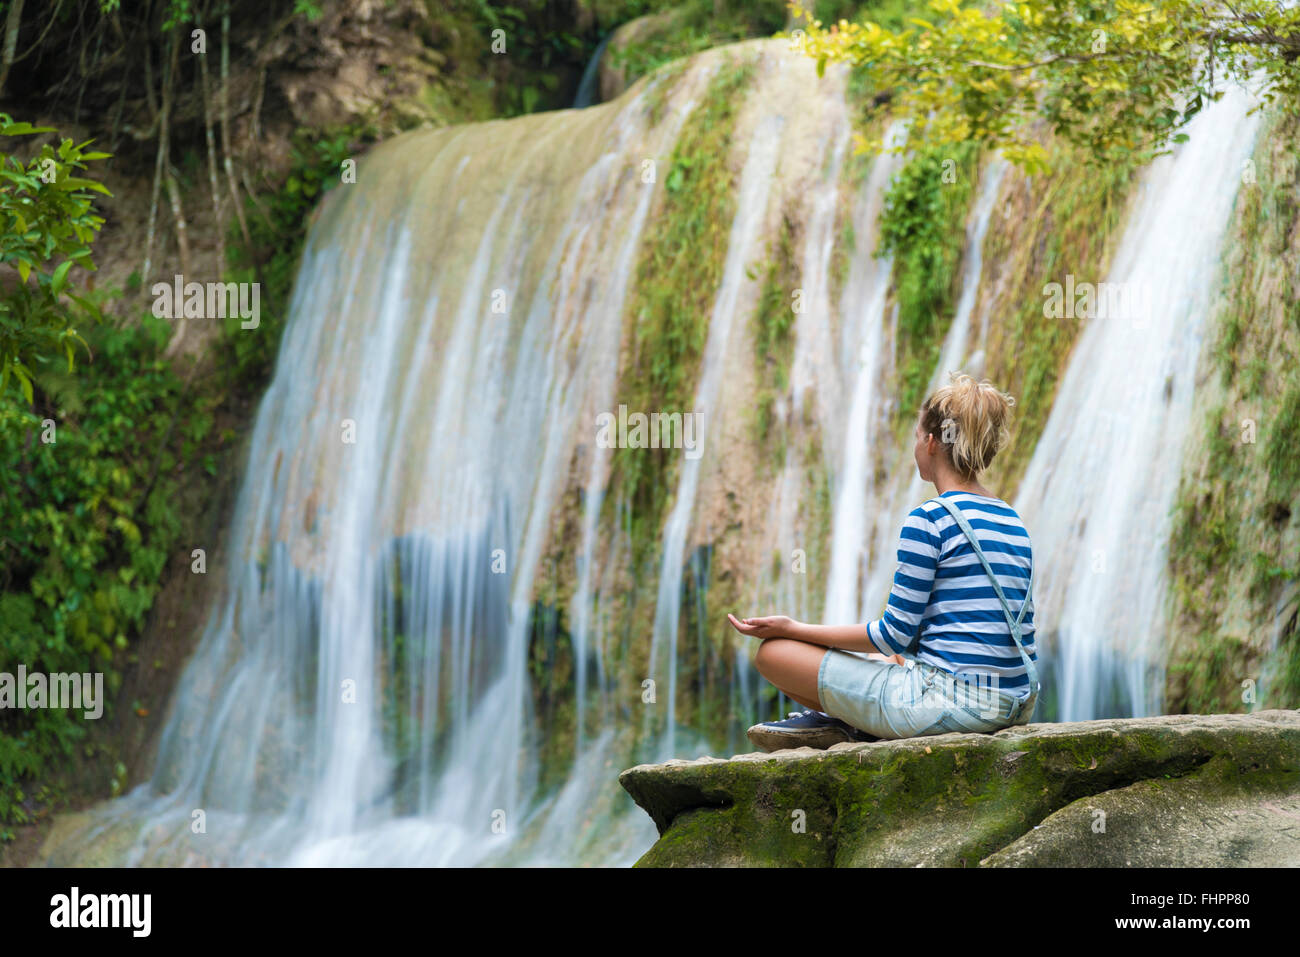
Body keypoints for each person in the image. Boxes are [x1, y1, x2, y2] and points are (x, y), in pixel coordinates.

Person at [727, 372, 1038, 752]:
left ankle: (849, 724)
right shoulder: (1012, 520)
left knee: (776, 653)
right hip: (1012, 703)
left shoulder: (931, 519)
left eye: (915, 437)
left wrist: (795, 629)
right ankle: (846, 723)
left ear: (930, 443)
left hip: (948, 707)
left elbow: (892, 634)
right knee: (891, 658)